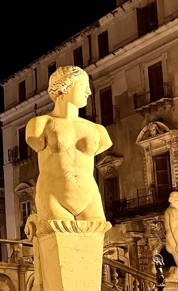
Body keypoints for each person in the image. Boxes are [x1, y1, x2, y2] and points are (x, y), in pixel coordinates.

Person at [25, 66, 112, 224]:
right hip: (53, 195)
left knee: (95, 243)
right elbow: (34, 139)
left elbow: (104, 145)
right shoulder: (40, 124)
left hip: (89, 196)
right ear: (63, 87)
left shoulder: (98, 130)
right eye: (82, 85)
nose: (89, 92)